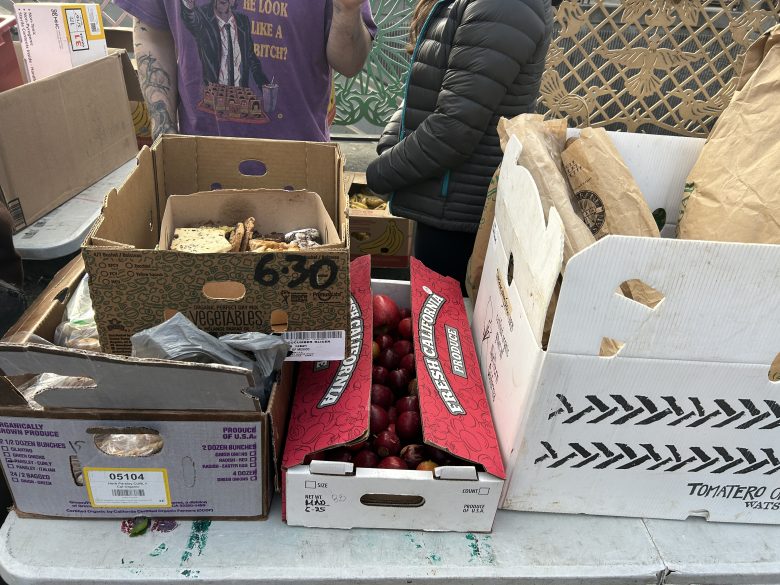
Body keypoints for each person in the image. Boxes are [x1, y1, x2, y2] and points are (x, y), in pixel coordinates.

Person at [366, 0, 553, 293]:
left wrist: (378, 175)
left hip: (459, 220)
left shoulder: (506, 6)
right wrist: (391, 142)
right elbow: (428, 89)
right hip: (443, 201)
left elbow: (453, 130)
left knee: (444, 329)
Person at [121, 0, 376, 141]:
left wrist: (347, 9)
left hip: (301, 162)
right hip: (197, 158)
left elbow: (350, 63)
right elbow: (153, 32)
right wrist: (163, 131)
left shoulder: (239, 23)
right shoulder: (205, 20)